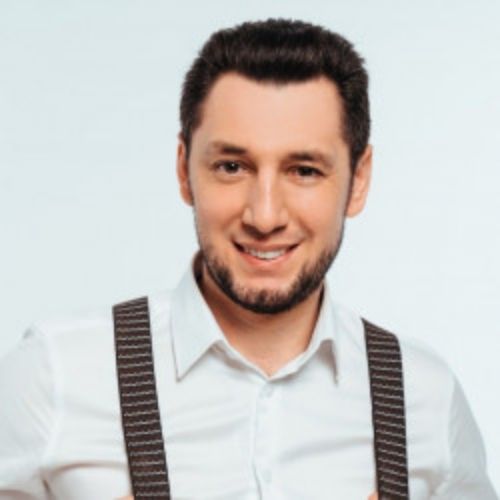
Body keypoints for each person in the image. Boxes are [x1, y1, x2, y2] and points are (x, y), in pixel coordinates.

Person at [0, 18, 497, 500]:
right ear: (184, 170)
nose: (264, 215)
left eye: (304, 170)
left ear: (358, 179)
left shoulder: (424, 397)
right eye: (232, 166)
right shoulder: (56, 373)